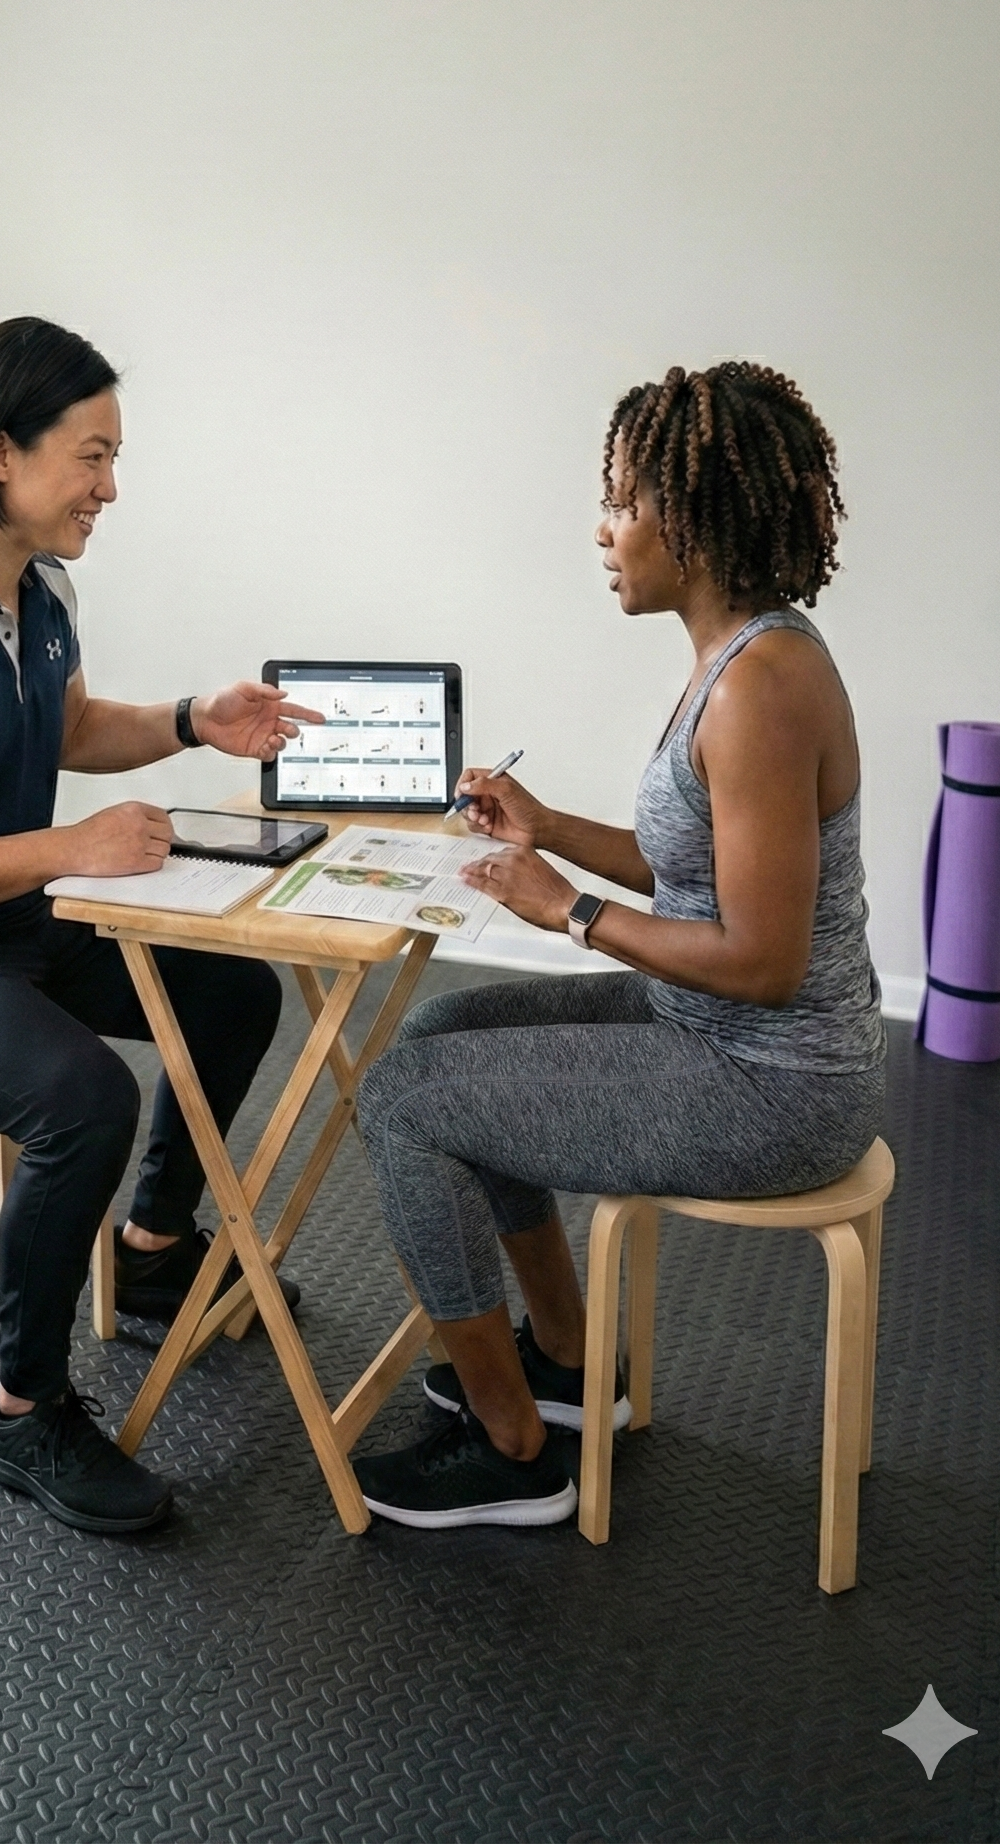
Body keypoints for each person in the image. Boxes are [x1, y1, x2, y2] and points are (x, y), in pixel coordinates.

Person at [353, 361, 885, 1531]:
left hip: (770, 1081)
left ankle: (511, 1446)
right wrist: (551, 828)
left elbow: (762, 960)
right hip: (721, 1035)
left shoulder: (763, 686)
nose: (601, 528)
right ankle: (570, 1362)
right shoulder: (741, 655)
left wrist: (566, 911)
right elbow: (706, 871)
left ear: (687, 523)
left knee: (400, 1099)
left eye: (620, 500)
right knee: (442, 1032)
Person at [0, 316, 319, 1536]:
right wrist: (71, 850)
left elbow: (72, 728)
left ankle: (148, 1244)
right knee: (81, 1097)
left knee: (234, 991)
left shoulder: (40, 591)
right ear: (2, 454)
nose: (109, 486)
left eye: (113, 456)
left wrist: (200, 716)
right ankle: (20, 1405)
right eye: (90, 456)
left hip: (9, 926)